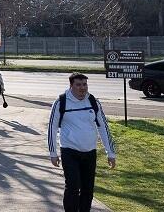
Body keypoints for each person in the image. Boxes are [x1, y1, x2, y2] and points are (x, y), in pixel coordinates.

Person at [48, 72, 117, 212]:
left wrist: (110, 152)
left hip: (90, 152)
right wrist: (53, 153)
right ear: (71, 85)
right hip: (69, 151)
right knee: (73, 187)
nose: (82, 88)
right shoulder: (61, 102)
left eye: (85, 84)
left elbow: (103, 127)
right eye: (78, 85)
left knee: (88, 188)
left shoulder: (93, 101)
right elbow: (52, 127)